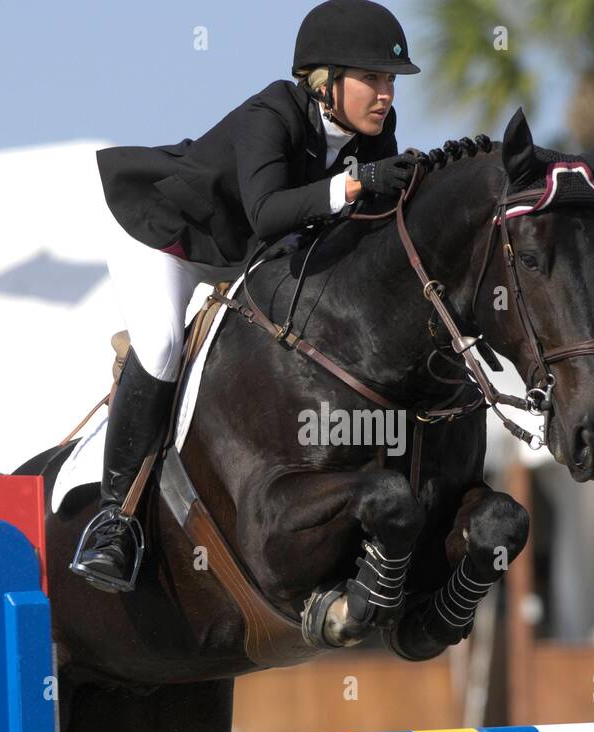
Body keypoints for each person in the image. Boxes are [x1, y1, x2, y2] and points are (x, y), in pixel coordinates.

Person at [72, 0, 423, 592]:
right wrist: (357, 183)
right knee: (162, 346)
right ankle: (114, 520)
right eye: (372, 79)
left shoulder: (374, 132)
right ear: (325, 82)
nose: (385, 94)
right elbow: (267, 212)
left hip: (244, 257)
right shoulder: (272, 113)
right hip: (168, 240)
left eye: (389, 81)